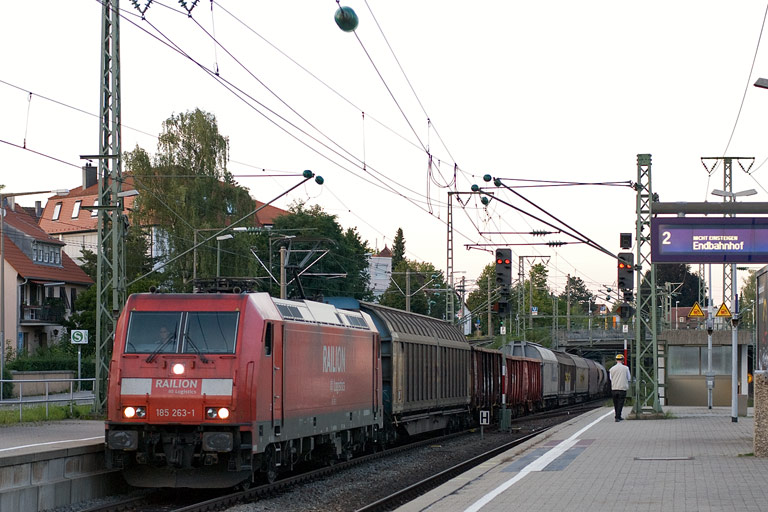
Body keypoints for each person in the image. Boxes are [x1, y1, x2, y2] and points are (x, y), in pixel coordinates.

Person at [609, 354, 631, 422]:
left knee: (616, 403)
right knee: (620, 403)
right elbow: (629, 378)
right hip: (622, 388)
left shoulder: (612, 369)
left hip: (614, 388)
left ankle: (617, 416)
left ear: (616, 360)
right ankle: (618, 417)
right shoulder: (626, 368)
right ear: (622, 360)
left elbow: (611, 378)